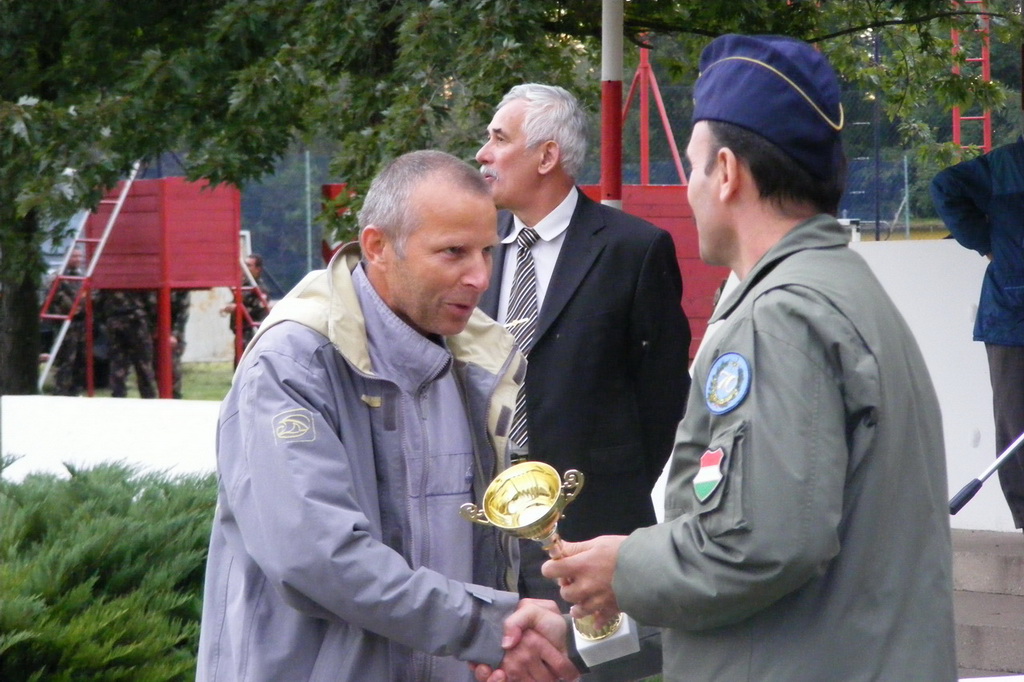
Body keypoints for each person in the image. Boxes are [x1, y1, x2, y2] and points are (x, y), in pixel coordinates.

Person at [484, 34, 958, 682]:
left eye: (693, 168)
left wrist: (624, 568)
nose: (689, 191)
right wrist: (577, 637)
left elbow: (759, 547)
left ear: (728, 173)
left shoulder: (782, 319)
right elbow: (760, 578)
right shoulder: (840, 291)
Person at [196, 150, 577, 682]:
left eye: (488, 252)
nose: (479, 277)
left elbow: (487, 554)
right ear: (377, 246)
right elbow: (317, 559)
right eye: (453, 252)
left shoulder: (477, 359)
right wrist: (485, 627)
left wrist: (511, 641)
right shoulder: (293, 363)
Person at [475, 83, 692, 607]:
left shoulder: (633, 250)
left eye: (499, 139)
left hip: (590, 528)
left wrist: (611, 490)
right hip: (487, 525)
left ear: (547, 156)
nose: (483, 154)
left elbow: (662, 398)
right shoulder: (473, 245)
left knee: (592, 652)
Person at [931, 137, 1024, 531]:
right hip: (1012, 319)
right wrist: (987, 244)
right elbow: (945, 188)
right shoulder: (1005, 166)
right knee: (1015, 422)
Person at [96, 289, 157, 399]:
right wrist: (153, 324)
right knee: (143, 362)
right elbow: (151, 302)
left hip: (114, 319)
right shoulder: (139, 279)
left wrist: (104, 318)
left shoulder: (110, 279)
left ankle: (118, 396)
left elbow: (98, 300)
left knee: (118, 362)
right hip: (136, 321)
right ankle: (148, 398)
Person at [51, 248, 88, 396]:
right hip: (65, 323)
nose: (77, 259)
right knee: (66, 359)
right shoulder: (58, 276)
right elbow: (54, 296)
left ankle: (76, 391)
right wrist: (72, 307)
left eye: (79, 256)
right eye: (74, 256)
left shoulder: (83, 275)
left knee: (81, 358)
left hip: (82, 323)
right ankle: (61, 391)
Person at [222, 252, 271, 350]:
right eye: (244, 265)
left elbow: (259, 309)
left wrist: (237, 308)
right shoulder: (244, 286)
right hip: (241, 332)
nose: (245, 268)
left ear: (258, 269)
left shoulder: (260, 289)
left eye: (249, 265)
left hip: (252, 332)